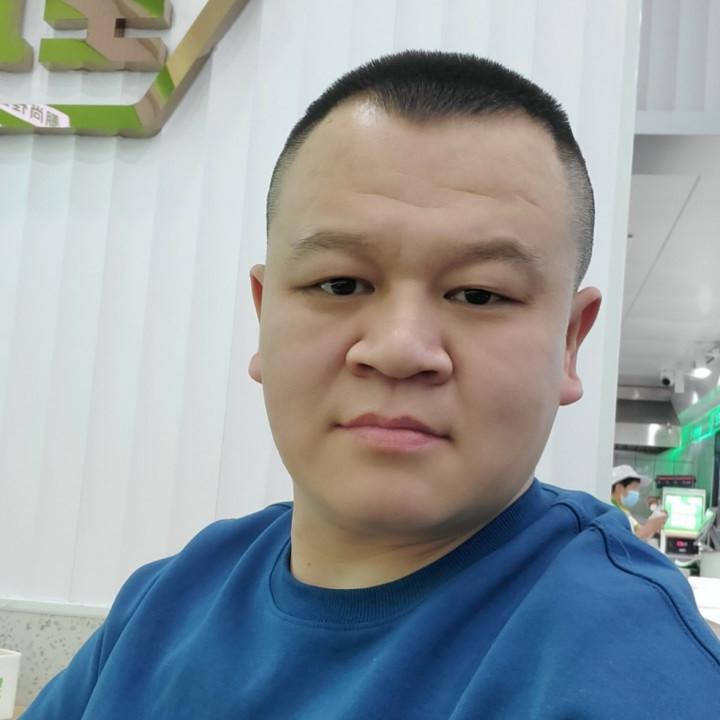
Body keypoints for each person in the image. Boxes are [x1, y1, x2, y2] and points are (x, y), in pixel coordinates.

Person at [23, 50, 720, 719]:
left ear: (570, 342)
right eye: (340, 284)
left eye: (478, 294)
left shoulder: (637, 673)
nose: (398, 350)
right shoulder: (166, 603)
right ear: (264, 317)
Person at [610, 464, 668, 540]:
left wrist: (655, 523)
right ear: (619, 488)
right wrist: (649, 527)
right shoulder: (610, 511)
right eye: (634, 489)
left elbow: (639, 535)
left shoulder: (623, 511)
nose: (637, 493)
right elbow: (623, 541)